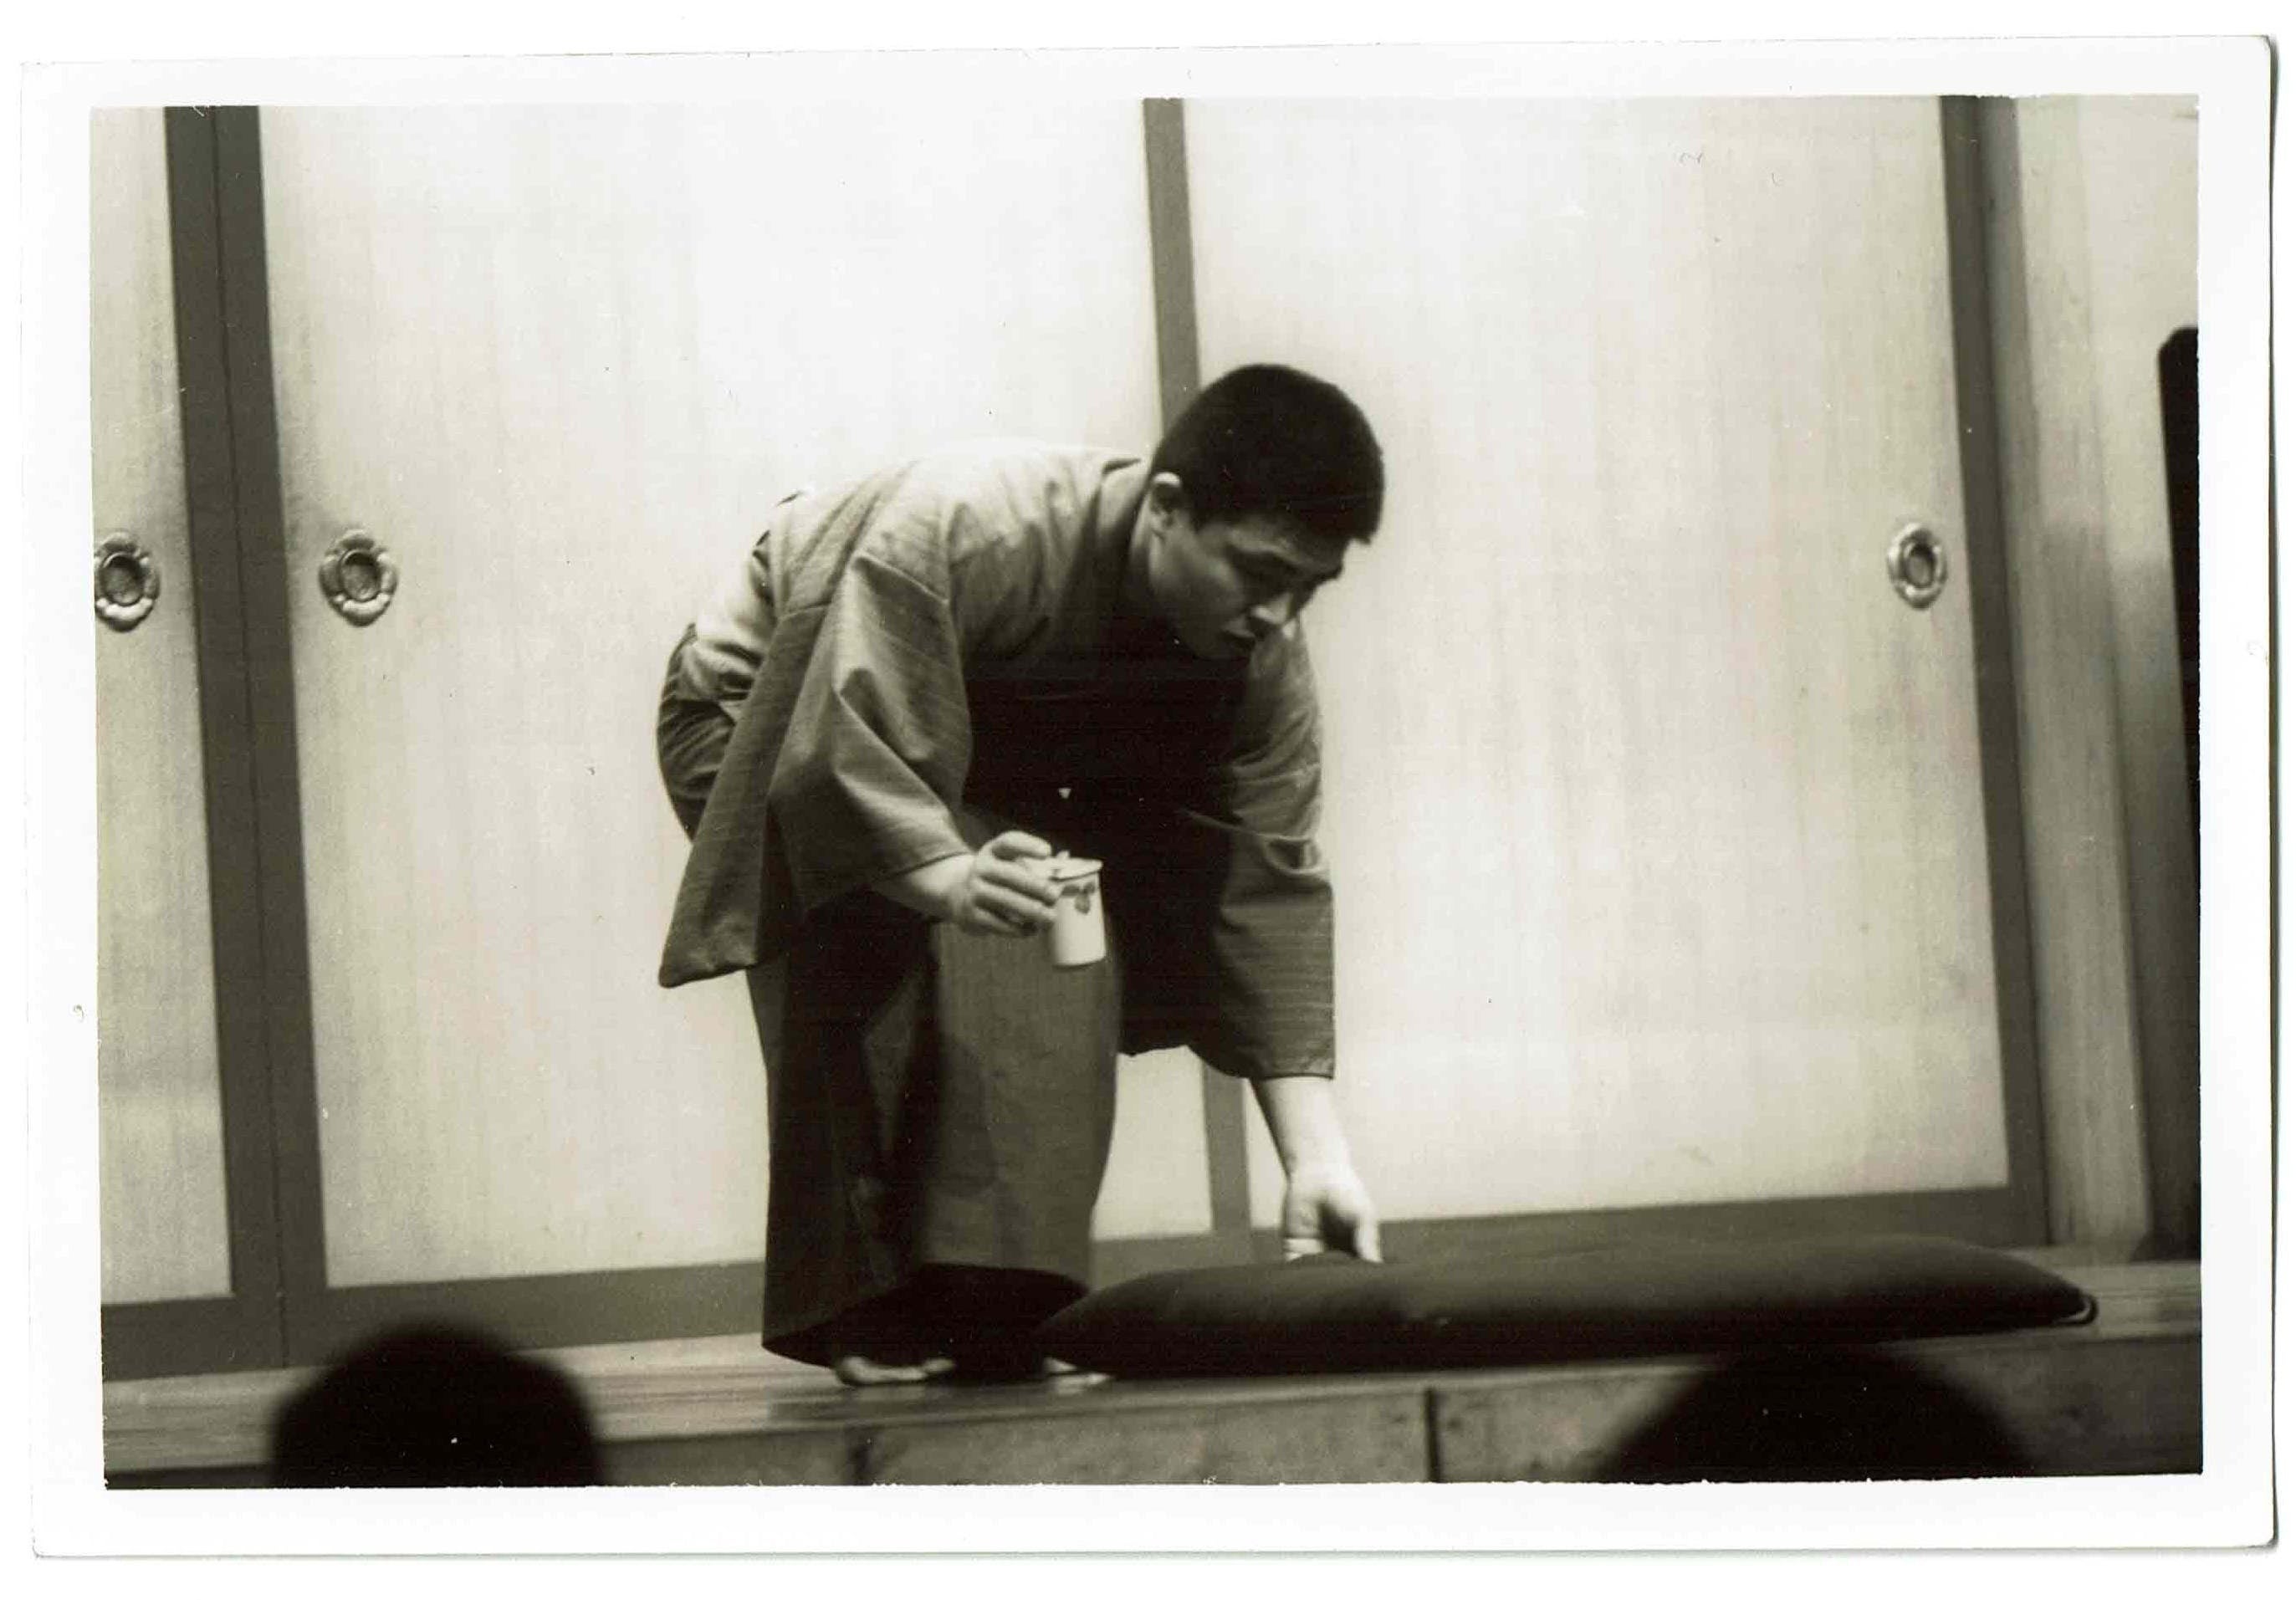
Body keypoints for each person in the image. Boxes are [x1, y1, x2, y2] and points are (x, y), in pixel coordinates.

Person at [655, 364, 1385, 1384]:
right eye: (1259, 573)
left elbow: (1264, 889)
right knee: (873, 912)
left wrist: (1318, 1163)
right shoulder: (966, 527)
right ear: (1167, 507)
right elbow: (839, 755)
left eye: (1308, 587)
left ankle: (998, 1300)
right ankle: (864, 1304)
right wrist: (946, 878)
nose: (1278, 612)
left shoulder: (1263, 654)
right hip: (766, 711)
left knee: (1061, 922)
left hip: (965, 752)